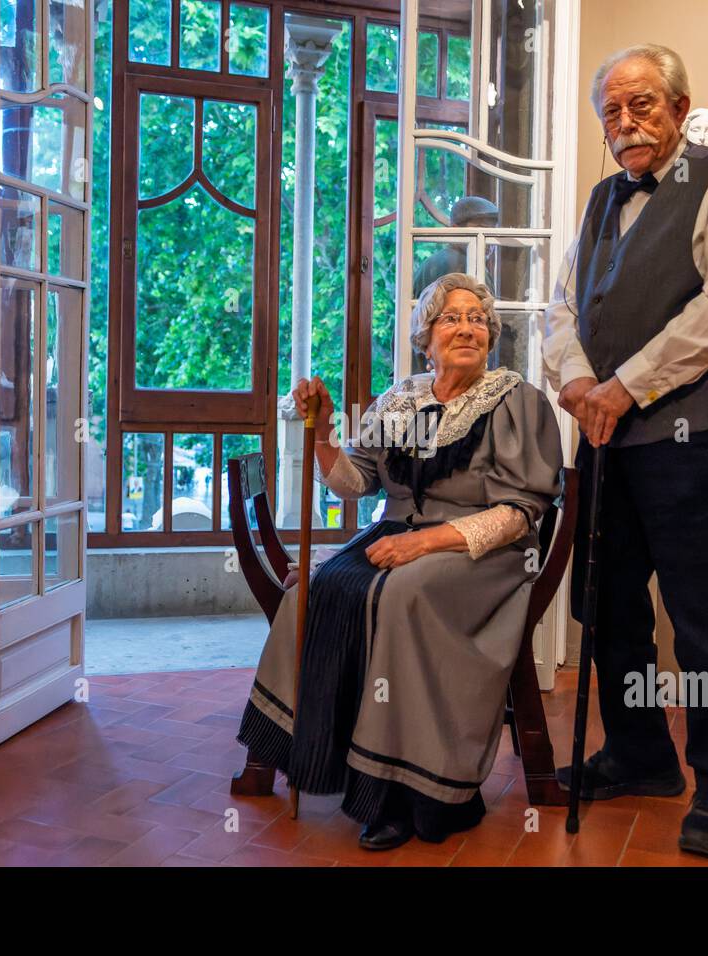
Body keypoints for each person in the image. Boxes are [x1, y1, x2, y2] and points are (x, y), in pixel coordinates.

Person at [542, 43, 708, 858]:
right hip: (605, 438)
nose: (625, 122)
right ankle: (640, 755)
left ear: (680, 108)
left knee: (707, 618)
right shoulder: (602, 200)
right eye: (611, 111)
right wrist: (576, 381)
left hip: (698, 440)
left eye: (642, 104)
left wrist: (625, 386)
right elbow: (561, 307)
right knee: (605, 607)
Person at [237, 273, 563, 851]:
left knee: (402, 594)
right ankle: (307, 756)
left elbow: (521, 512)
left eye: (477, 319)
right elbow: (353, 484)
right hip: (393, 537)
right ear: (424, 337)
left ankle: (403, 796)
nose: (468, 328)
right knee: (314, 591)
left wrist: (426, 543)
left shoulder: (516, 401)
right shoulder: (399, 399)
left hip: (481, 552)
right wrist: (322, 435)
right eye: (451, 318)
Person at [412, 196, 500, 294]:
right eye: (480, 231)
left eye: (492, 233)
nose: (488, 241)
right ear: (456, 230)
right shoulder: (466, 265)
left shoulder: (429, 263)